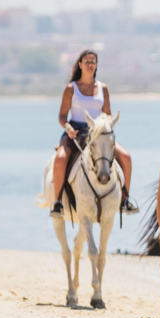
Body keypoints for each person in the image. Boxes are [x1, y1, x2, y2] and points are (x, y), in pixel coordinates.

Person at [51, 49, 137, 218]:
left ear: (96, 65)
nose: (90, 65)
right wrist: (68, 129)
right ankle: (58, 202)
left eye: (93, 62)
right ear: (80, 65)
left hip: (98, 133)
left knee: (126, 156)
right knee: (61, 158)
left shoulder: (103, 88)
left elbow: (108, 114)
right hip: (75, 131)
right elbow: (62, 116)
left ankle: (125, 199)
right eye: (87, 61)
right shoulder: (71, 88)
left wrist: (105, 124)